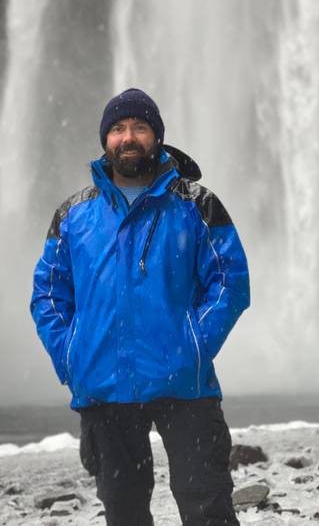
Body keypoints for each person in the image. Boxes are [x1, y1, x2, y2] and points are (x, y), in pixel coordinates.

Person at [30, 88, 250, 526]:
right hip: (104, 388)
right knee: (124, 511)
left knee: (207, 506)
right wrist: (73, 357)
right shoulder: (73, 215)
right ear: (105, 141)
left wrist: (194, 346)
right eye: (117, 128)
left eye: (139, 127)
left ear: (157, 137)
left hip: (185, 386)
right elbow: (49, 296)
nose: (127, 137)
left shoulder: (196, 204)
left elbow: (230, 282)